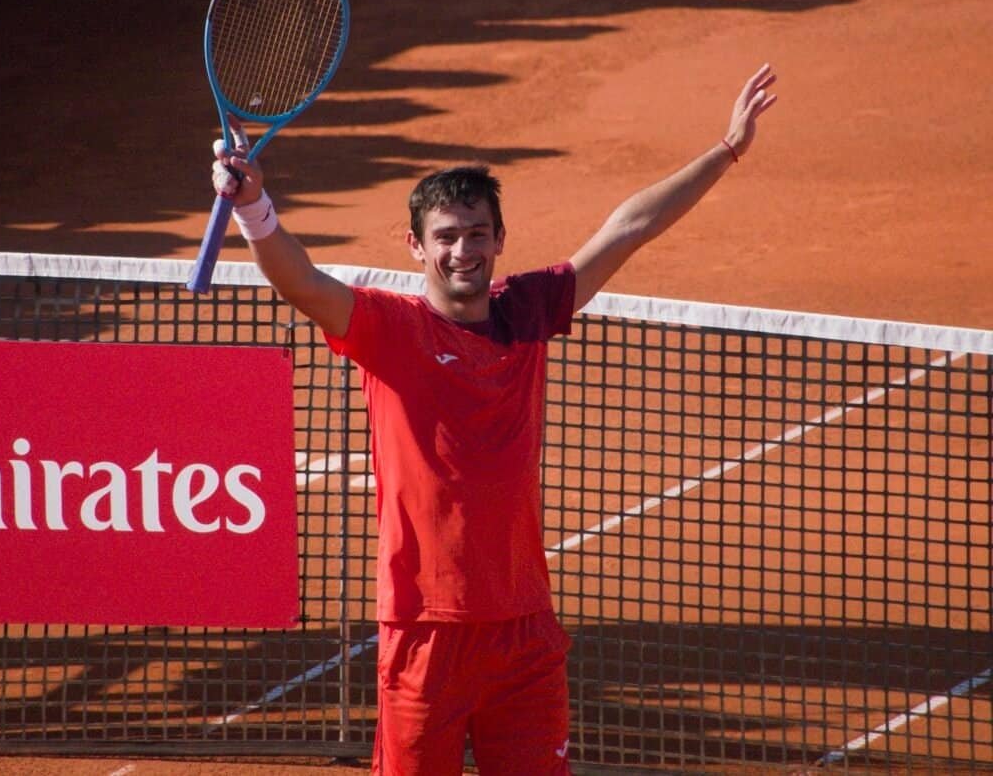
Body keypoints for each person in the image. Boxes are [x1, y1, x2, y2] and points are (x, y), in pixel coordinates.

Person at [212, 64, 777, 775]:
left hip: (523, 634)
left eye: (477, 234)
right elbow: (300, 280)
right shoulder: (390, 329)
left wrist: (727, 148)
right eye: (445, 236)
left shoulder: (527, 310)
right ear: (416, 246)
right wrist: (253, 207)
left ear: (499, 239)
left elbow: (629, 227)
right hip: (424, 634)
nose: (462, 250)